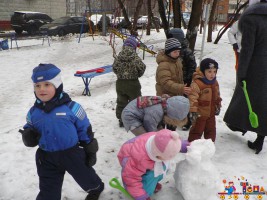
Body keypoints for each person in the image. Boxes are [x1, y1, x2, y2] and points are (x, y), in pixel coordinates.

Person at [19, 64, 104, 200]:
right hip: (46, 157)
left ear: (57, 86)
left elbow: (84, 128)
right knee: (48, 188)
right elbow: (29, 126)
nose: (41, 89)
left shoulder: (72, 107)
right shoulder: (33, 112)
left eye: (47, 84)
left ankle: (96, 188)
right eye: (37, 85)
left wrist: (90, 148)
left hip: (71, 153)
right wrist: (28, 134)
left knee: (85, 175)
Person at [223, 0, 267, 154]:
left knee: (243, 96)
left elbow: (247, 49)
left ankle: (237, 124)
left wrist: (241, 73)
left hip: (255, 68)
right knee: (263, 102)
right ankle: (259, 139)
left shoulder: (251, 18)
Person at [117, 129, 190, 200]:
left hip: (144, 161)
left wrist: (183, 146)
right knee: (148, 184)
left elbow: (171, 141)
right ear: (157, 155)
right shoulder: (138, 159)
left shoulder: (160, 139)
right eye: (168, 157)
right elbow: (130, 179)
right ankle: (145, 187)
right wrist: (141, 196)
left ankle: (152, 182)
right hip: (130, 169)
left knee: (163, 168)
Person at [155, 37, 192, 131]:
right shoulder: (163, 65)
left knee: (172, 120)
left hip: (175, 96)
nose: (177, 54)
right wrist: (180, 88)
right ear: (168, 52)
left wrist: (182, 87)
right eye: (175, 52)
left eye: (178, 51)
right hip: (165, 97)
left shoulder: (177, 61)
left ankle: (170, 136)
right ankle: (161, 136)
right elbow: (165, 82)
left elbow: (179, 77)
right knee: (163, 119)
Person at [167, 28, 197, 131]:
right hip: (175, 81)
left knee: (184, 102)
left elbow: (192, 67)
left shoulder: (187, 51)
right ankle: (174, 120)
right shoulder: (173, 49)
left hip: (185, 82)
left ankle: (187, 122)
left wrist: (187, 80)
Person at [113, 36, 146, 128]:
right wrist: (138, 75)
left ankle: (122, 119)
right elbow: (142, 67)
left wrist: (120, 74)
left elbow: (114, 67)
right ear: (134, 47)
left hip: (120, 83)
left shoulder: (119, 56)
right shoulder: (135, 57)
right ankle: (135, 117)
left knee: (121, 101)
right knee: (135, 101)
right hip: (133, 83)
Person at [187, 58, 222, 142]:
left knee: (211, 131)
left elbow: (217, 96)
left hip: (211, 113)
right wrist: (193, 111)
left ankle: (209, 146)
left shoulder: (215, 82)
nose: (212, 74)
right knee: (197, 130)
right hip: (200, 114)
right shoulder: (197, 83)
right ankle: (193, 146)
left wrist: (218, 105)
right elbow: (192, 98)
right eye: (209, 71)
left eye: (214, 71)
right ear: (203, 71)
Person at [121, 95, 190, 136]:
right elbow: (150, 128)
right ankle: (145, 155)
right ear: (173, 115)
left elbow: (158, 124)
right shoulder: (155, 112)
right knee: (146, 137)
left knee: (158, 132)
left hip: (139, 113)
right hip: (130, 116)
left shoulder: (165, 104)